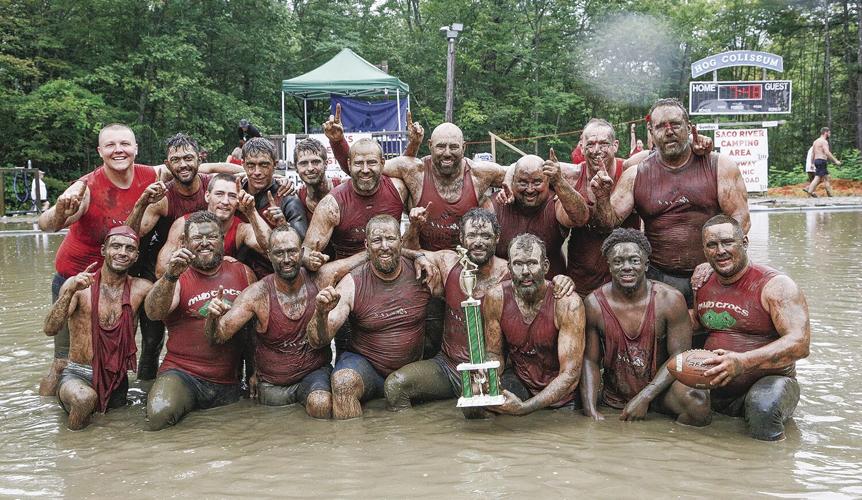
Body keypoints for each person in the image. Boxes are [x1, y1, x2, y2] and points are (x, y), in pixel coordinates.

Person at [384, 208, 575, 413]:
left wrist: (563, 280)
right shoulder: (448, 263)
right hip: (449, 366)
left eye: (485, 236)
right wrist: (419, 255)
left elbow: (540, 286)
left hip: (497, 370)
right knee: (395, 386)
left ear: (497, 238)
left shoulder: (512, 272)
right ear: (461, 238)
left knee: (477, 406)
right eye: (472, 235)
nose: (478, 242)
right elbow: (401, 250)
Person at [591, 98, 750, 311]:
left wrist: (715, 262)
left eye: (675, 124)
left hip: (715, 273)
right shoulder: (636, 174)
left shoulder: (720, 166)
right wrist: (602, 198)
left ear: (689, 127)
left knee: (720, 330)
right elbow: (606, 224)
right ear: (651, 132)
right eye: (660, 127)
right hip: (658, 277)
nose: (669, 132)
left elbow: (741, 219)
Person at [205, 226, 363, 419]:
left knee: (321, 404)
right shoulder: (257, 294)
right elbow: (218, 336)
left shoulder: (321, 278)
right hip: (273, 386)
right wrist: (212, 318)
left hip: (314, 374)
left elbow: (361, 259)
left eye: (292, 251)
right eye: (279, 253)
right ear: (269, 255)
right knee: (273, 429)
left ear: (302, 253)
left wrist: (395, 250)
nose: (287, 259)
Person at [695, 215, 810, 441]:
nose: (720, 251)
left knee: (763, 407)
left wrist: (743, 362)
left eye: (728, 242)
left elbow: (800, 343)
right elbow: (696, 324)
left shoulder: (776, 285)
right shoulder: (702, 282)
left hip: (771, 383)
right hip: (716, 385)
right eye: (712, 245)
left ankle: (769, 459)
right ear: (704, 251)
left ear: (745, 242)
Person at [306, 215, 433, 419]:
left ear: (401, 241)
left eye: (390, 239)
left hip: (410, 370)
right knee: (343, 383)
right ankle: (354, 439)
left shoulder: (423, 272)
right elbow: (318, 340)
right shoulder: (352, 283)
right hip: (368, 368)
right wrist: (320, 313)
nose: (384, 246)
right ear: (366, 245)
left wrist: (419, 256)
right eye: (376, 240)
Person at [580, 228, 711, 426]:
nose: (626, 267)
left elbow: (679, 358)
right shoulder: (594, 304)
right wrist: (591, 411)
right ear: (609, 266)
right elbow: (590, 360)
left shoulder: (670, 300)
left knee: (698, 403)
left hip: (660, 391)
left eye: (634, 260)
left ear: (646, 265)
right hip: (615, 395)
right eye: (618, 261)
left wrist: (645, 397)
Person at [143, 211, 257, 431]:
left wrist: (254, 371)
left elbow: (253, 329)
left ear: (222, 239)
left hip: (228, 380)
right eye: (197, 238)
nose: (205, 243)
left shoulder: (243, 272)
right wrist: (169, 276)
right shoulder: (177, 276)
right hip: (183, 374)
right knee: (159, 415)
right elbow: (153, 313)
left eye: (212, 237)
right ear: (185, 242)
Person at [43, 226, 152, 429]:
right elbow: (50, 329)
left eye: (129, 248)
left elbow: (165, 309)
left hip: (117, 379)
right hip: (78, 374)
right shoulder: (78, 286)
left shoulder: (143, 288)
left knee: (119, 429)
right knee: (84, 399)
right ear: (103, 250)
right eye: (116, 246)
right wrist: (69, 292)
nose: (122, 252)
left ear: (136, 256)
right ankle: (74, 444)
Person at [483, 234, 586, 415]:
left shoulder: (567, 303)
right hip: (521, 384)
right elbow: (494, 353)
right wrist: (486, 379)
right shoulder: (496, 298)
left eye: (532, 263)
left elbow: (570, 375)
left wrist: (525, 408)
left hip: (562, 397)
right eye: (518, 264)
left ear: (545, 266)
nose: (525, 271)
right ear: (509, 268)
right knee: (476, 409)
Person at [563, 119, 642, 298]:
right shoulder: (572, 175)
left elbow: (661, 157)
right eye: (590, 144)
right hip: (583, 282)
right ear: (581, 147)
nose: (596, 150)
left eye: (604, 144)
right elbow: (529, 167)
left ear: (615, 146)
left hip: (626, 280)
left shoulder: (631, 172)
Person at [302, 138, 409, 266]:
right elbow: (306, 250)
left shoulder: (399, 189)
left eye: (371, 162)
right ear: (349, 164)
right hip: (349, 271)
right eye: (358, 163)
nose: (365, 170)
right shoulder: (331, 205)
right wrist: (310, 260)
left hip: (391, 265)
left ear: (382, 163)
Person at [488, 152, 587, 278]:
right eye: (523, 183)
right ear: (513, 181)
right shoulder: (495, 204)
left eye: (537, 183)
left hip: (551, 285)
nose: (530, 189)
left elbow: (580, 218)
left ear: (548, 182)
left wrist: (559, 182)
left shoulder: (556, 203)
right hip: (506, 284)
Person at [155, 174, 272, 277]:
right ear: (207, 196)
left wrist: (251, 212)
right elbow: (160, 272)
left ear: (238, 201)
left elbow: (272, 249)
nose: (225, 201)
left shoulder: (241, 229)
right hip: (189, 285)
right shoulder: (184, 223)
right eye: (219, 194)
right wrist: (206, 263)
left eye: (232, 196)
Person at [238, 137, 307, 278]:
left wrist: (283, 226)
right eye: (251, 165)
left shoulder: (288, 198)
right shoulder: (232, 192)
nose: (257, 172)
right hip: (239, 275)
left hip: (278, 277)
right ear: (243, 165)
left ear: (274, 165)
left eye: (264, 165)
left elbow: (303, 248)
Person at [804, 127, 840, 198]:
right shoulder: (824, 141)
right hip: (822, 161)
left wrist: (812, 163)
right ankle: (810, 193)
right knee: (821, 178)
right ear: (825, 133)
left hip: (817, 161)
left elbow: (813, 153)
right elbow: (827, 152)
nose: (830, 134)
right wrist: (835, 161)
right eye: (829, 133)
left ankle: (829, 195)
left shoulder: (815, 141)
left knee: (823, 178)